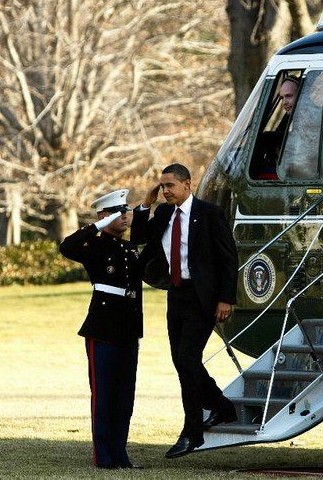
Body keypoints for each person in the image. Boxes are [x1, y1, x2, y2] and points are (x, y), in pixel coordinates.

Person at [130, 163, 238, 459]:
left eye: (170, 186)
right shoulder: (164, 213)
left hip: (203, 298)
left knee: (188, 359)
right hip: (176, 295)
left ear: (187, 185)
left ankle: (192, 432)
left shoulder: (210, 213)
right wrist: (146, 205)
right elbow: (138, 238)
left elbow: (228, 258)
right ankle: (221, 407)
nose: (165, 191)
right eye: (162, 186)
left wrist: (225, 299)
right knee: (182, 362)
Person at [59, 189, 142, 469]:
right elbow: (67, 247)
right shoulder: (93, 245)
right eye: (117, 213)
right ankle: (103, 456)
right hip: (103, 328)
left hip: (128, 328)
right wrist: (98, 225)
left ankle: (120, 454)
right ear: (104, 216)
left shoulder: (129, 248)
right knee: (103, 395)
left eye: (126, 211)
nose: (125, 216)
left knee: (124, 397)